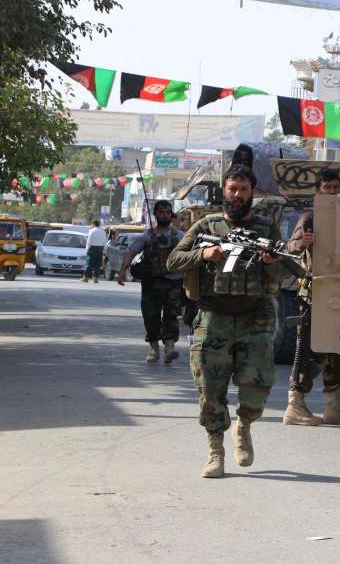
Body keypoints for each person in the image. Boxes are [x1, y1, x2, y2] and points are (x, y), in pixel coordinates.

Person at [167, 164, 282, 479]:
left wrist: (272, 262)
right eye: (233, 189)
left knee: (258, 387)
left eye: (244, 190)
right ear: (224, 191)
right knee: (211, 389)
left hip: (254, 317)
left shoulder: (266, 227)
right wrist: (204, 255)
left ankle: (243, 426)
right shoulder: (207, 225)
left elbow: (283, 272)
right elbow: (173, 259)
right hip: (214, 317)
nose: (238, 195)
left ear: (251, 193)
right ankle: (215, 452)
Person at [281, 168, 340, 428]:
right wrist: (304, 243)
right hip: (315, 295)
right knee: (308, 350)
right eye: (326, 187)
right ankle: (294, 405)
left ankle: (335, 405)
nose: (331, 191)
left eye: (334, 187)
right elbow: (290, 248)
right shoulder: (310, 216)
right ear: (318, 190)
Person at [119, 200, 184, 364]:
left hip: (174, 282)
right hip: (151, 283)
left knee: (171, 315)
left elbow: (190, 256)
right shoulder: (146, 236)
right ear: (155, 214)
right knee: (150, 316)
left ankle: (169, 348)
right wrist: (122, 271)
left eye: (168, 212)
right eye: (161, 212)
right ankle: (154, 349)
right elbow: (130, 253)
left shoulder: (180, 236)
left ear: (172, 215)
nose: (164, 215)